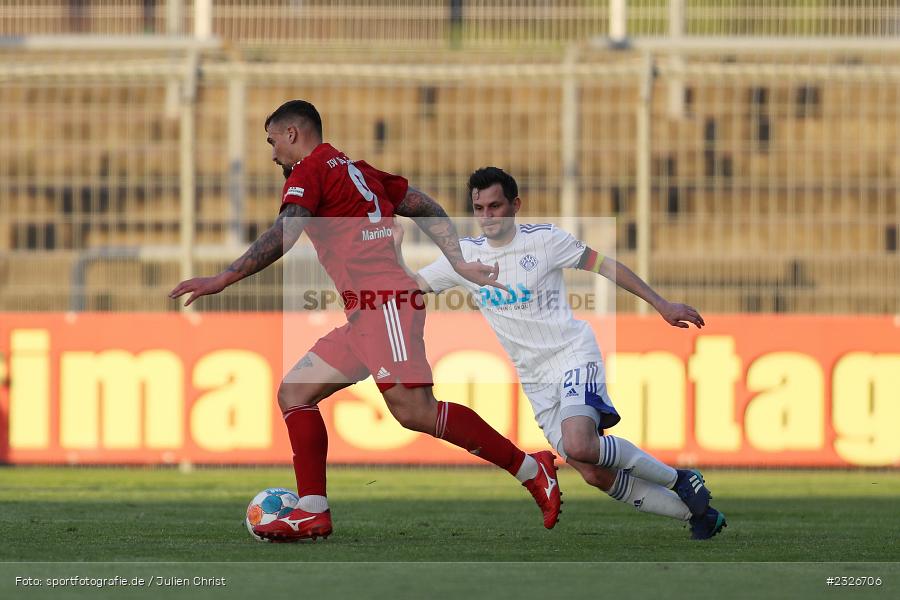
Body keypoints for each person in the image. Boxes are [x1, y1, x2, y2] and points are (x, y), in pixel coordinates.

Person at [169, 102, 562, 541]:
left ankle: (531, 468)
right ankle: (313, 511)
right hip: (366, 313)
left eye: (272, 140)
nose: (273, 151)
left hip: (387, 303)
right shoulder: (357, 170)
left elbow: (286, 231)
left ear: (294, 134)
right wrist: (457, 259)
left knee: (415, 411)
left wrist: (225, 277)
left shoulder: (310, 171)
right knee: (295, 392)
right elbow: (424, 205)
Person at [395, 166, 726, 540]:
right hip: (535, 380)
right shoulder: (465, 257)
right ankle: (698, 515)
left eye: (495, 206)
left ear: (515, 205)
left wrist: (661, 304)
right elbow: (410, 288)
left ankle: (681, 477)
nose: (487, 217)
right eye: (479, 209)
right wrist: (394, 254)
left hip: (571, 356)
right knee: (593, 471)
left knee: (579, 444)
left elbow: (606, 266)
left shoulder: (545, 241)